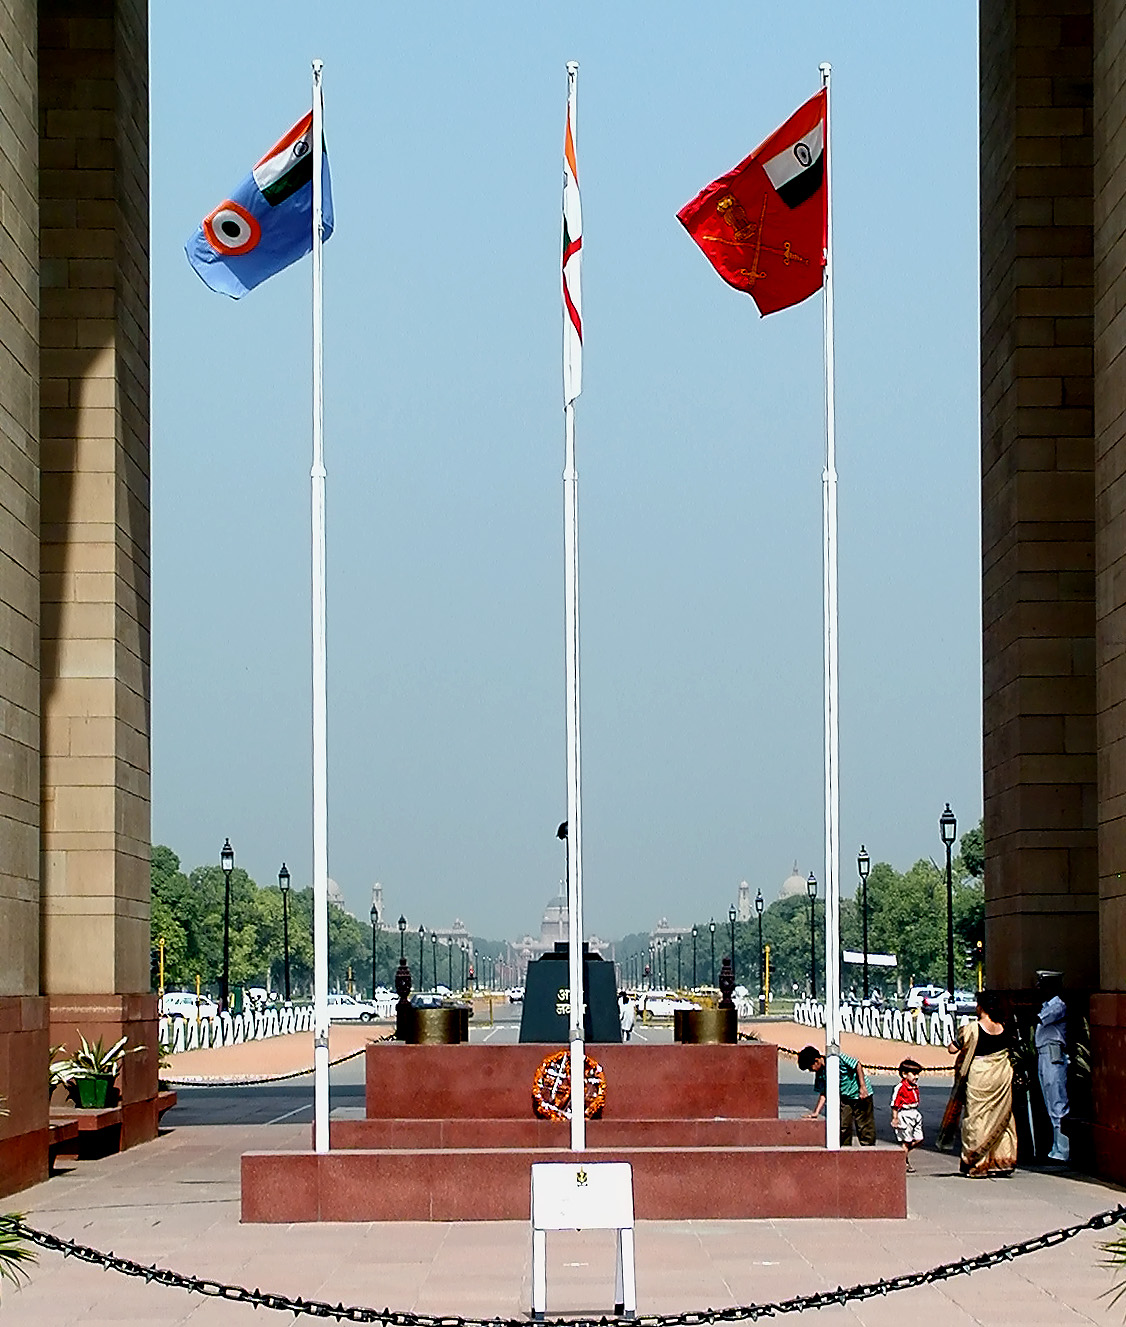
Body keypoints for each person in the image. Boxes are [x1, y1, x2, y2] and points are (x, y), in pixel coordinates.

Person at [939, 989, 1018, 1177]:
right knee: (1001, 1117)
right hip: (1001, 1075)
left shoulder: (972, 1028)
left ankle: (977, 1162)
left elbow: (952, 1048)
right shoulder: (1004, 1026)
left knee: (977, 1118)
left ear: (981, 1007)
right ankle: (1002, 1160)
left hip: (980, 1076)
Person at [797, 1045, 876, 1145]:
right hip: (845, 1098)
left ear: (816, 1061)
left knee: (864, 1127)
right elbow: (824, 1092)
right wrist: (816, 1112)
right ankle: (845, 1152)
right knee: (843, 1126)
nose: (810, 1071)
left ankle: (868, 1151)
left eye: (810, 1068)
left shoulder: (838, 1058)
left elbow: (857, 1065)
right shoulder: (820, 1074)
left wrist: (862, 1087)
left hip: (860, 1094)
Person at [1035, 970, 1069, 1162]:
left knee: (1057, 1101)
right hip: (1043, 1053)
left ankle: (1063, 1149)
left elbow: (1039, 1019)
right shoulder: (1047, 1005)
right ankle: (1055, 1146)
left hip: (1053, 1054)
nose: (1039, 988)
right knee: (1050, 1102)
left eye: (1042, 984)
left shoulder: (1057, 1006)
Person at [891, 1058, 924, 1172]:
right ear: (904, 1074)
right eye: (914, 1074)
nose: (916, 1077)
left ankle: (901, 1155)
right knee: (907, 1140)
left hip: (915, 1112)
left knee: (919, 1138)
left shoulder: (914, 1086)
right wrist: (895, 1118)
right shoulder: (900, 1087)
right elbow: (894, 1104)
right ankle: (903, 1162)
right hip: (905, 1114)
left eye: (917, 1074)